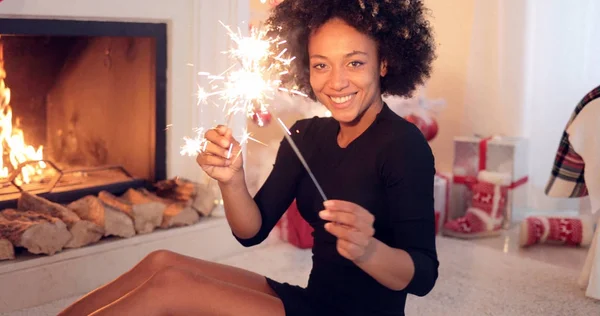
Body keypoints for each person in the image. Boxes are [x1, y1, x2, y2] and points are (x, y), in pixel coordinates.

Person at [58, 0, 438, 315]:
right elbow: (251, 232)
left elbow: (423, 276)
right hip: (314, 302)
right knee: (163, 262)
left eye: (354, 62)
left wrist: (368, 250)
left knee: (171, 288)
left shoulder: (403, 145)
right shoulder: (306, 135)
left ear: (384, 63)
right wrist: (232, 180)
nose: (336, 81)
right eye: (321, 64)